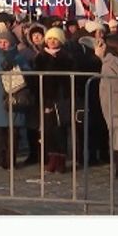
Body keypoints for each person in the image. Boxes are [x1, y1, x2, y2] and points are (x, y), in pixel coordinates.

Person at [0, 31, 32, 169]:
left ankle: (11, 161)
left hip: (14, 98)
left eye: (6, 42)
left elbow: (28, 73)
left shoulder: (18, 57)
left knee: (13, 133)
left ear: (11, 43)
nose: (3, 44)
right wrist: (1, 67)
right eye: (0, 42)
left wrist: (17, 68)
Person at [33, 27, 76, 173]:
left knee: (60, 130)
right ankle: (51, 158)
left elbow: (68, 78)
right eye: (50, 39)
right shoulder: (40, 57)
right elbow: (37, 79)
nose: (52, 41)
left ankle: (61, 159)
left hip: (61, 97)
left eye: (55, 39)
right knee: (48, 131)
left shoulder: (66, 57)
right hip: (46, 97)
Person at [94, 35, 118, 176]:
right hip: (116, 104)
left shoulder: (113, 61)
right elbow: (116, 85)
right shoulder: (110, 63)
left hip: (117, 103)